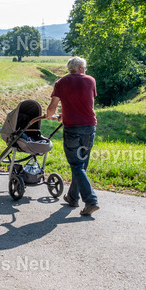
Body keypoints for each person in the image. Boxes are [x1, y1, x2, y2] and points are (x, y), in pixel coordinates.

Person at [45, 56, 99, 216]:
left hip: (72, 129)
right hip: (89, 126)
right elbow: (86, 104)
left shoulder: (61, 83)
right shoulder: (90, 80)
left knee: (76, 165)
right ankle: (73, 197)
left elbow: (52, 107)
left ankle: (91, 201)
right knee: (81, 165)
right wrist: (67, 112)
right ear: (81, 68)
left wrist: (49, 116)